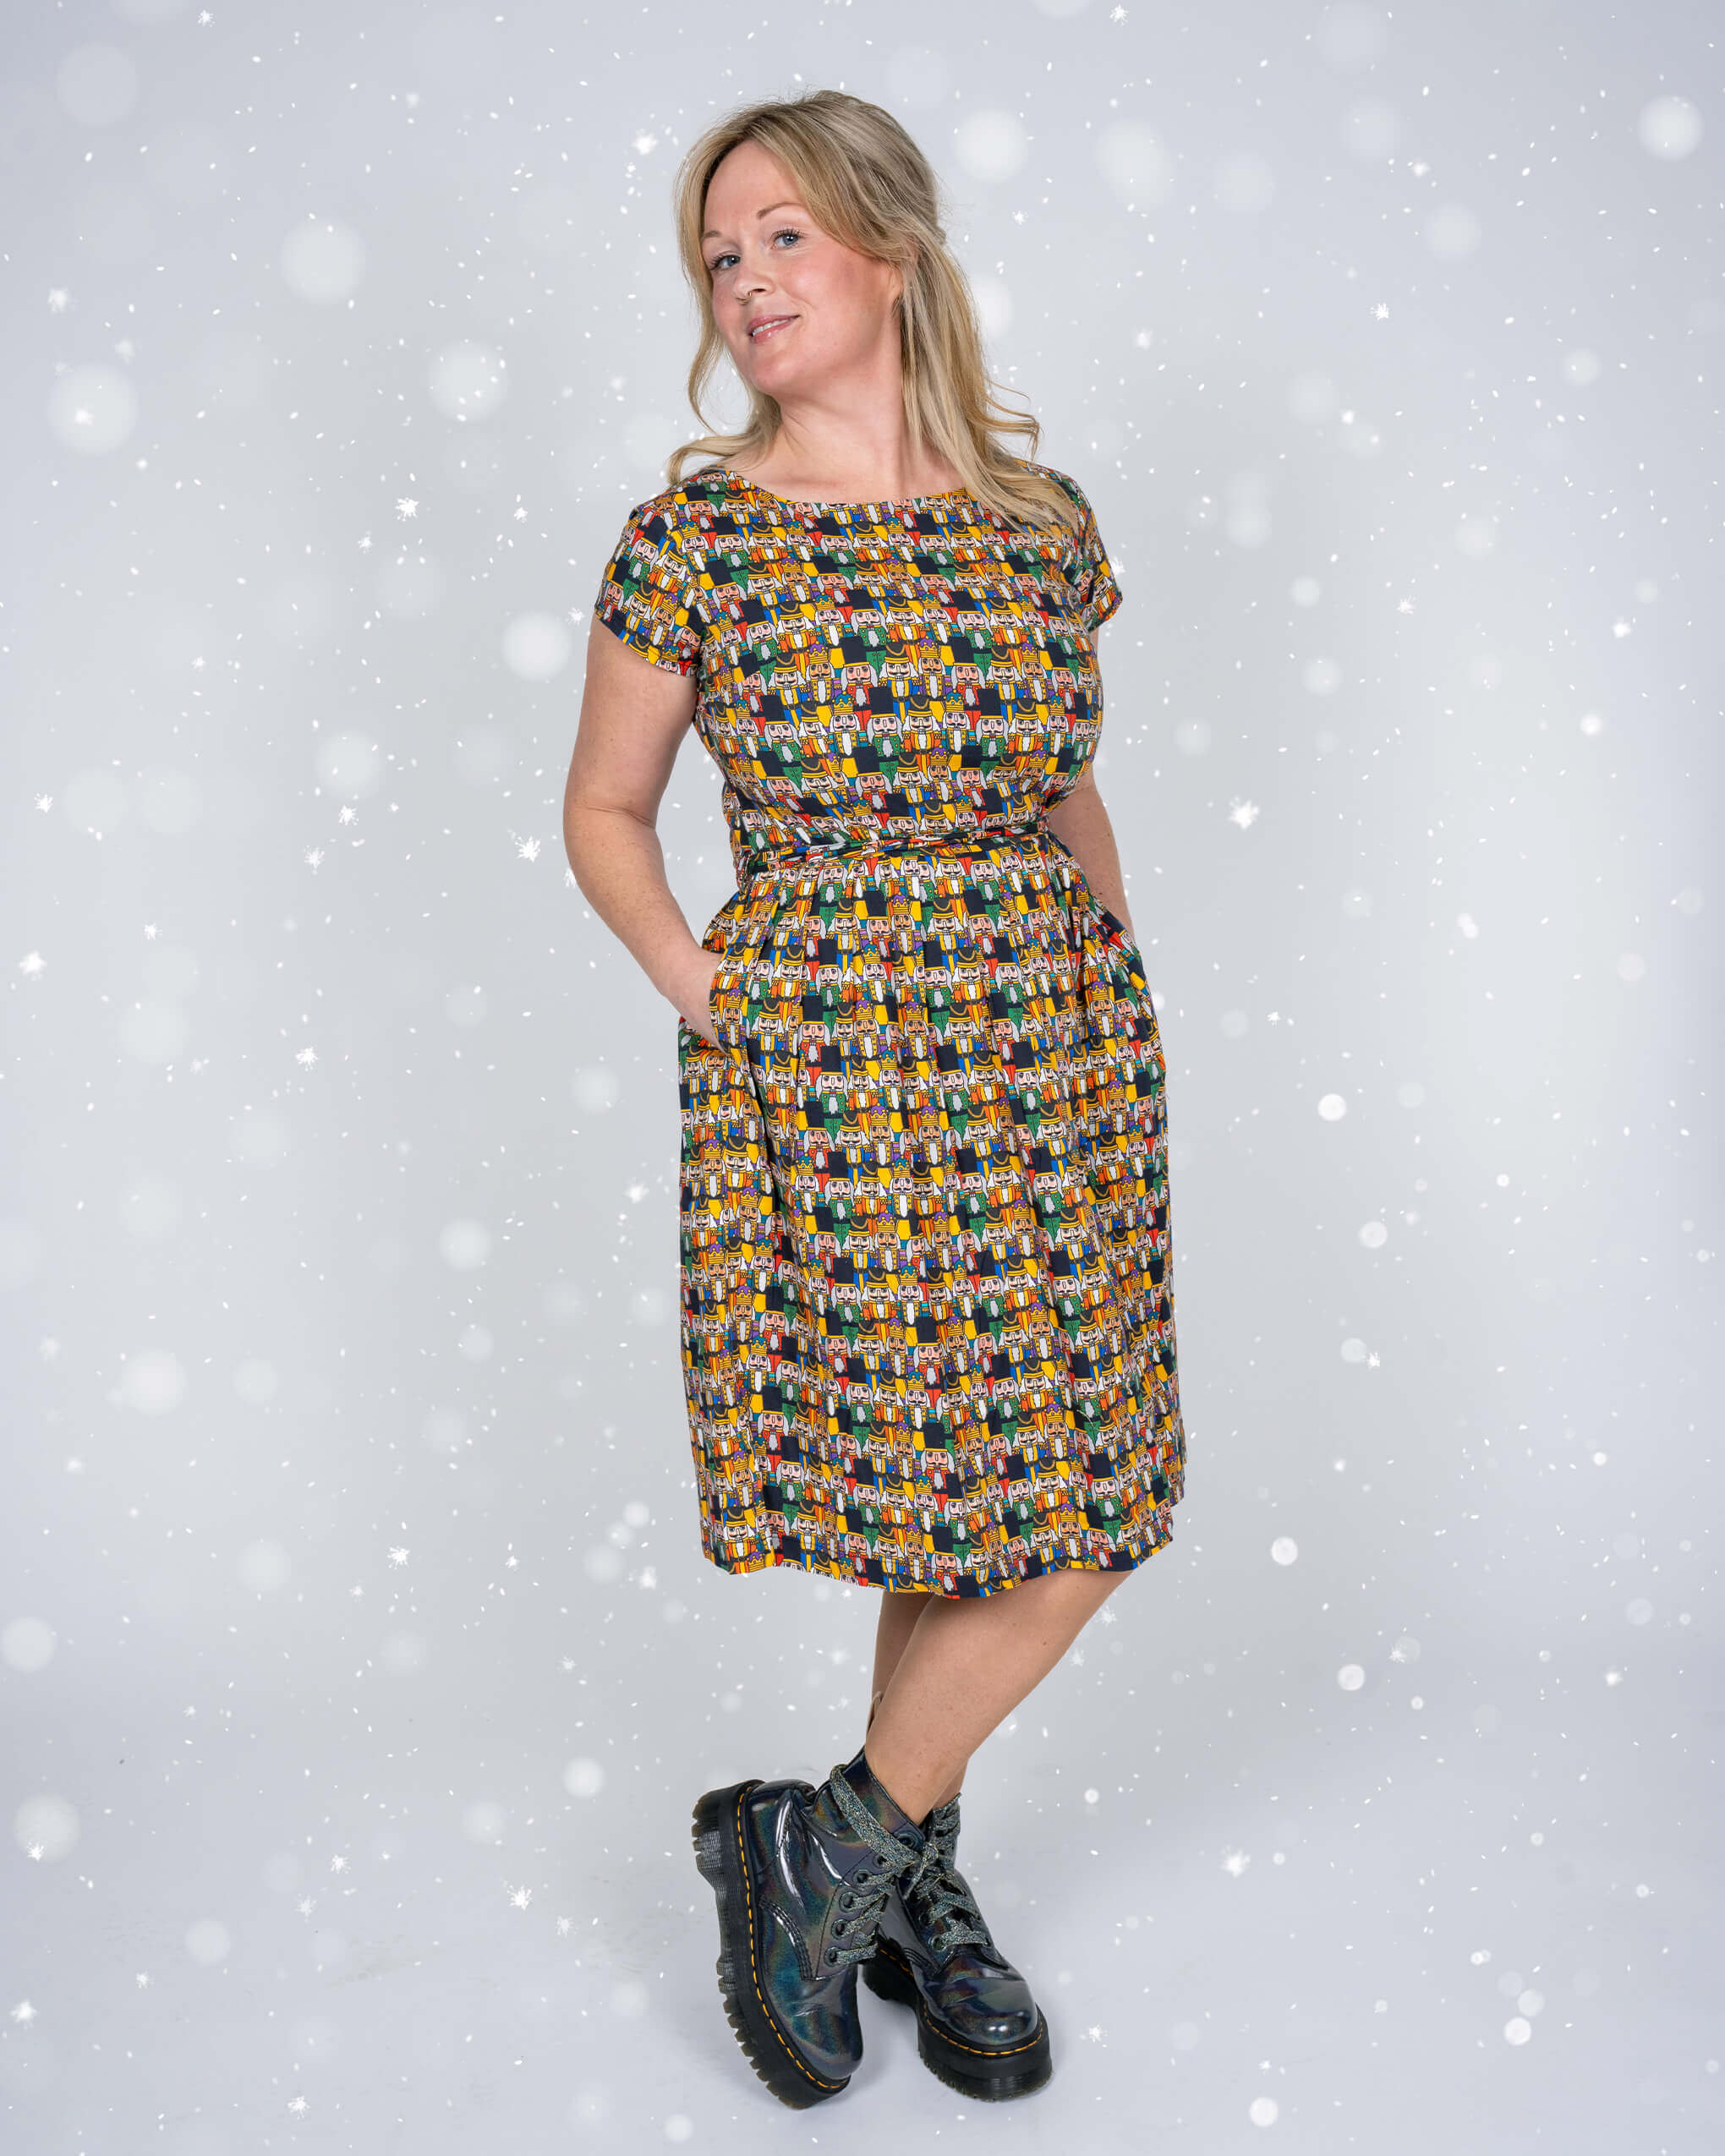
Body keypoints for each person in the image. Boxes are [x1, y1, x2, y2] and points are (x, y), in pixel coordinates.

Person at [561, 88, 1186, 2109]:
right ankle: (861, 1855)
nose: (743, 280)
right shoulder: (696, 540)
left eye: (783, 237)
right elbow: (604, 809)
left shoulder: (1039, 522)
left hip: (1053, 1060)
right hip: (834, 1075)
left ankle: (857, 1854)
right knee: (991, 1498)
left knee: (1044, 1491)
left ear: (893, 253)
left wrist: (1112, 986)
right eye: (716, 255)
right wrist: (715, 995)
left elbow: (1063, 787)